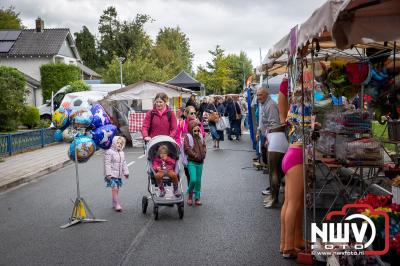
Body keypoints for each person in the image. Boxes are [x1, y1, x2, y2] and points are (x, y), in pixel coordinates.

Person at [257, 86, 287, 208]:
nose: (258, 97)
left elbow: (275, 124)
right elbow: (263, 122)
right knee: (272, 171)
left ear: (267, 94)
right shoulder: (264, 104)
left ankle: (274, 198)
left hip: (275, 139)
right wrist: (260, 131)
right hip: (273, 138)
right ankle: (272, 195)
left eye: (261, 95)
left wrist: (268, 138)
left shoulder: (271, 105)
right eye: (257, 95)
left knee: (274, 172)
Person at [175, 106, 205, 185]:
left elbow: (203, 135)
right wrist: (180, 145)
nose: (194, 115)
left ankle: (195, 187)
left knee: (196, 168)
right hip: (186, 150)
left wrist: (199, 128)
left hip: (196, 149)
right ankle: (190, 185)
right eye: (191, 113)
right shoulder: (182, 123)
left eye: (195, 113)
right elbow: (177, 136)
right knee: (187, 170)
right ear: (186, 114)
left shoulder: (198, 122)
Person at [184, 120, 207, 206]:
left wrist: (204, 154)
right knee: (193, 179)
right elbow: (187, 148)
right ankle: (190, 195)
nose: (197, 132)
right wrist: (195, 155)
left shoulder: (200, 136)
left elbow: (204, 146)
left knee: (198, 181)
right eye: (195, 130)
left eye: (198, 130)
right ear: (191, 129)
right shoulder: (188, 137)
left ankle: (197, 197)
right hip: (192, 162)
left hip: (200, 162)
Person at [104, 136, 129, 212]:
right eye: (117, 143)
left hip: (118, 175)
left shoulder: (122, 153)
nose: (119, 144)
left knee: (116, 189)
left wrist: (126, 172)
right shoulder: (109, 152)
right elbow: (107, 163)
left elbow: (124, 163)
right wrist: (108, 174)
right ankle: (117, 203)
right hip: (111, 175)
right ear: (114, 143)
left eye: (121, 143)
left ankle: (114, 202)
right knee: (114, 188)